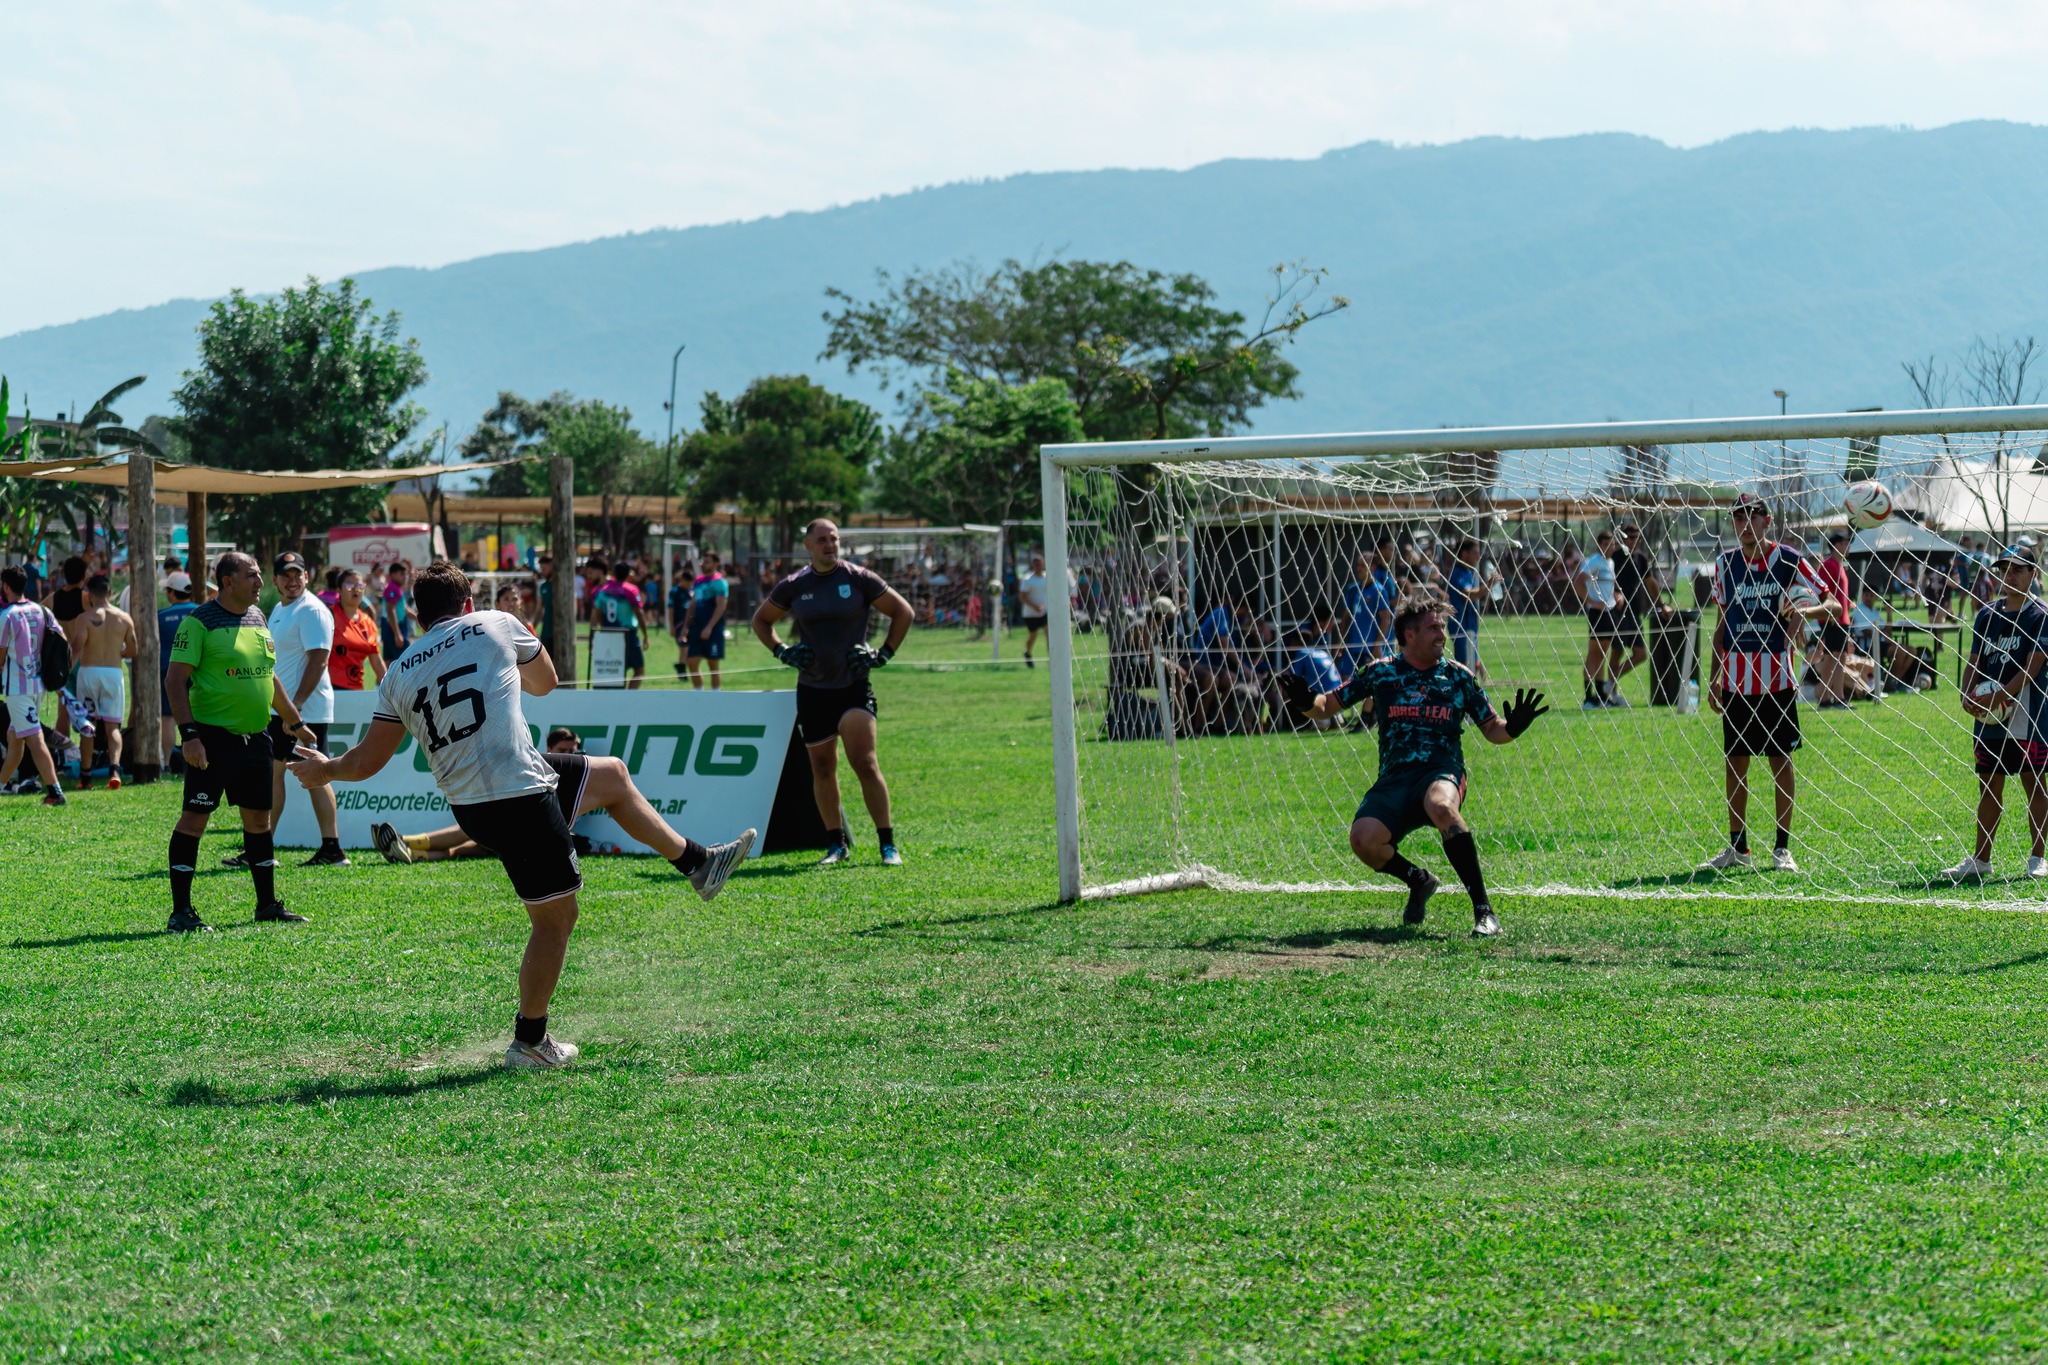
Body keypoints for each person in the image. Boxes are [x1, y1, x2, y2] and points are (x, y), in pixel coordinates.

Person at [290, 562, 755, 1068]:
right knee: (556, 921)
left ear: (416, 614)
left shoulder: (401, 670)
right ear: (467, 601)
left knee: (613, 777)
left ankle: (698, 864)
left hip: (476, 803)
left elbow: (366, 761)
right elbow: (546, 683)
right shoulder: (494, 622)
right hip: (518, 795)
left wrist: (325, 771)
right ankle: (530, 1042)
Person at [1282, 593, 1549, 937]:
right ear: (1409, 635)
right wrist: (1306, 702)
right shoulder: (1380, 673)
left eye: (1443, 627)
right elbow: (1325, 706)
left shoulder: (1458, 677)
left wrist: (1512, 728)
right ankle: (1418, 881)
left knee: (1442, 808)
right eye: (1433, 627)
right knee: (1363, 841)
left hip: (1441, 771)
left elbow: (1493, 730)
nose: (1442, 634)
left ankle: (1485, 912)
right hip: (1394, 780)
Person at [164, 552, 319, 932]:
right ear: (227, 581)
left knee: (258, 820)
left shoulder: (258, 617)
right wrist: (190, 737)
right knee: (194, 820)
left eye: (259, 575)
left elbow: (269, 678)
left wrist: (294, 722)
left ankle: (266, 905)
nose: (260, 582)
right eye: (251, 575)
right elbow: (174, 681)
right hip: (212, 740)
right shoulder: (197, 622)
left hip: (258, 738)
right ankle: (181, 912)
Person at [753, 518, 916, 867]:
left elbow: (904, 612)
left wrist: (883, 653)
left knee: (865, 762)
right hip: (812, 689)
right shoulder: (795, 584)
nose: (830, 544)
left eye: (835, 539)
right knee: (823, 768)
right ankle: (835, 845)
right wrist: (782, 651)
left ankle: (887, 844)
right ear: (808, 546)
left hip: (853, 688)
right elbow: (761, 620)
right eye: (822, 540)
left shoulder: (859, 578)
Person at [1697, 494, 1837, 874]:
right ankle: (1738, 847)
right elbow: (1721, 625)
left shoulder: (1790, 560)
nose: (1744, 524)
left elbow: (1835, 605)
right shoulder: (1725, 564)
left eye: (1751, 517)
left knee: (1780, 762)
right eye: (1738, 518)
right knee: (1734, 763)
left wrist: (1806, 609)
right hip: (1736, 682)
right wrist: (1714, 676)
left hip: (1776, 680)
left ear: (1766, 520)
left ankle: (1782, 848)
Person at [1943, 548, 2048, 881]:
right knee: (1988, 786)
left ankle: (2038, 858)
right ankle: (1981, 859)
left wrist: (1998, 697)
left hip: (2029, 716)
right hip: (1989, 720)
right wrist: (1966, 695)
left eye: (2018, 569)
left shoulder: (2041, 614)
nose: (2010, 575)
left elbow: (2032, 667)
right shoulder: (1986, 614)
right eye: (2004, 568)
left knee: (2035, 786)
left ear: (2033, 573)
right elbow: (1974, 660)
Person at [254, 552, 345, 867]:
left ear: (308, 576)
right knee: (275, 774)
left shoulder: (312, 611)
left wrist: (298, 711)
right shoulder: (281, 609)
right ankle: (263, 846)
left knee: (317, 774)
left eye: (298, 574)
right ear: (275, 579)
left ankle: (332, 849)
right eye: (286, 575)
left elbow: (319, 660)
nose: (292, 580)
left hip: (306, 711)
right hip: (287, 709)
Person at [0, 567, 64, 806]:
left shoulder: (7, 615)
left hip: (18, 689)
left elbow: (0, 656)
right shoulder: (42, 611)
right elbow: (60, 640)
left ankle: (55, 792)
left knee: (34, 740)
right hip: (38, 685)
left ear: (6, 586)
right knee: (15, 740)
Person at [72, 573, 137, 789]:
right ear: (110, 593)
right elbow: (134, 649)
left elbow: (77, 646)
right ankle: (114, 770)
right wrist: (119, 653)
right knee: (113, 726)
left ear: (89, 595)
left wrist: (65, 672)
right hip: (112, 673)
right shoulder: (124, 618)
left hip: (89, 672)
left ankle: (86, 776)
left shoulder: (85, 618)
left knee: (88, 725)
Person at [1606, 523, 1658, 701]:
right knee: (1617, 651)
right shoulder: (1615, 557)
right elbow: (1606, 579)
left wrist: (1662, 603)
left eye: (1638, 537)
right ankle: (1610, 692)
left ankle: (1609, 683)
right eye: (1631, 537)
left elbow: (1650, 582)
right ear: (1623, 538)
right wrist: (1614, 593)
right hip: (1618, 611)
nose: (1635, 540)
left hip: (1635, 612)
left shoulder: (1641, 558)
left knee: (1641, 654)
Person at [156, 572, 200, 768]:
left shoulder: (161, 616)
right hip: (198, 670)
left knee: (168, 718)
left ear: (172, 593)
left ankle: (165, 762)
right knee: (199, 715)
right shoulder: (202, 612)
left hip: (168, 671)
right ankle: (199, 758)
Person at [1811, 529, 1857, 709]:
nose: (1848, 546)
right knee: (1833, 657)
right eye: (1845, 543)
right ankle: (1825, 697)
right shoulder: (1828, 565)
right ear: (1836, 545)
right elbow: (1821, 591)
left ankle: (1837, 697)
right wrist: (1828, 613)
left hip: (1842, 619)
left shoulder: (1840, 566)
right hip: (1832, 619)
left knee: (1840, 657)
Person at [1577, 531, 1623, 708]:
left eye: (1612, 544)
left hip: (1609, 612)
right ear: (1599, 545)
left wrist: (1617, 596)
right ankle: (1588, 697)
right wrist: (1591, 602)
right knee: (1594, 653)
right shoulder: (1594, 561)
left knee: (1603, 654)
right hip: (1598, 614)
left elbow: (1608, 586)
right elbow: (1578, 581)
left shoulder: (1610, 562)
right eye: (1606, 544)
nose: (1610, 547)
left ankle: (1600, 694)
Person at [591, 561, 648, 689]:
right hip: (628, 634)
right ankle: (628, 697)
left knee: (616, 669)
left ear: (613, 574)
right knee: (639, 670)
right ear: (628, 574)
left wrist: (604, 626)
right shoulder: (631, 590)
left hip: (609, 634)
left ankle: (617, 698)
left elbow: (598, 613)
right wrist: (645, 634)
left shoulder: (603, 591)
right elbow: (639, 612)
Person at [327, 569, 385, 691]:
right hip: (329, 689)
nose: (355, 589)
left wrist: (390, 688)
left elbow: (377, 662)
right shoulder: (328, 616)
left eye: (360, 586)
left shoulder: (368, 623)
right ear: (339, 591)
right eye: (349, 585)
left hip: (357, 690)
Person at [1341, 549, 1396, 673]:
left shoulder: (1378, 590)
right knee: (1346, 679)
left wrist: (1378, 644)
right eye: (1358, 565)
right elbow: (1345, 617)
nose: (1359, 568)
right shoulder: (1352, 589)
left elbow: (1386, 620)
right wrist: (1341, 641)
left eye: (1363, 565)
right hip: (1353, 645)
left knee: (1370, 680)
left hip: (1370, 648)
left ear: (1373, 567)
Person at [683, 550, 729, 690]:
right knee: (691, 662)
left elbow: (721, 607)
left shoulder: (719, 582)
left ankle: (715, 696)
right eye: (703, 561)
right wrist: (686, 626)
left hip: (713, 630)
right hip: (697, 627)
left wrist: (709, 627)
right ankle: (700, 695)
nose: (704, 564)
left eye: (707, 561)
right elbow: (693, 604)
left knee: (713, 665)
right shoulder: (698, 581)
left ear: (716, 564)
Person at [1446, 538, 1485, 677]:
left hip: (1470, 623)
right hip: (1459, 623)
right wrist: (1487, 586)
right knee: (1463, 662)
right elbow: (1467, 595)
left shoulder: (1468, 572)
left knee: (1473, 663)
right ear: (1464, 554)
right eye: (1475, 553)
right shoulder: (1457, 572)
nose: (1478, 557)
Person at [1019, 553, 1049, 668]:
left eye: (1040, 563)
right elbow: (1022, 597)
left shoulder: (1047, 577)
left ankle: (1051, 657)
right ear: (1033, 565)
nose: (1038, 566)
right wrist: (1034, 606)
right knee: (1033, 635)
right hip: (1030, 613)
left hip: (1044, 612)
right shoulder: (1028, 579)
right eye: (1035, 564)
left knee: (1048, 633)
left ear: (1043, 564)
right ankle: (1028, 652)